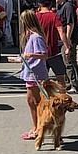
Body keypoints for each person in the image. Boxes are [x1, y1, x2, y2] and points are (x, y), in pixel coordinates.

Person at [16, 9, 49, 141]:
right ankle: (36, 126)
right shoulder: (30, 37)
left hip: (36, 74)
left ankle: (37, 128)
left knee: (35, 102)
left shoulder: (36, 37)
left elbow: (44, 55)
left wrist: (31, 55)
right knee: (32, 102)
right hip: (30, 72)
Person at [36, 0, 70, 89]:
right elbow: (61, 31)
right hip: (53, 52)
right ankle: (63, 98)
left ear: (39, 4)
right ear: (50, 4)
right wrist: (67, 47)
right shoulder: (53, 16)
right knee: (60, 78)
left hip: (39, 52)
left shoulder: (35, 16)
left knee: (41, 80)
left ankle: (43, 100)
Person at [55, 0, 78, 92]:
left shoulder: (68, 6)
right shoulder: (60, 6)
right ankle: (68, 83)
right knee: (63, 62)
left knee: (69, 61)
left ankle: (75, 85)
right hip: (61, 38)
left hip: (68, 38)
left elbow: (70, 23)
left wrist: (68, 40)